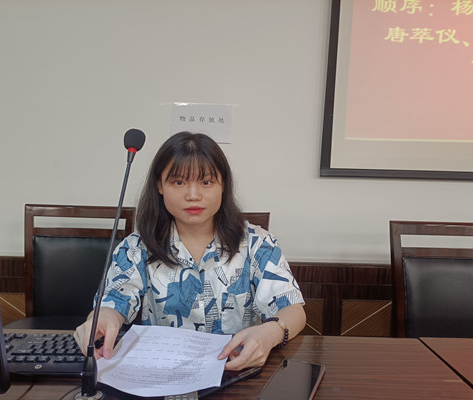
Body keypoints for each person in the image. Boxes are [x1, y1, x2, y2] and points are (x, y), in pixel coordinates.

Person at [76, 131, 306, 371]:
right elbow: (114, 301)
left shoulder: (258, 243)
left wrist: (271, 332)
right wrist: (103, 317)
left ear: (223, 185)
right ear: (160, 185)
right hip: (160, 374)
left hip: (237, 372)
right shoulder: (136, 247)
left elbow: (293, 309)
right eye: (178, 182)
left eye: (206, 182)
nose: (193, 195)